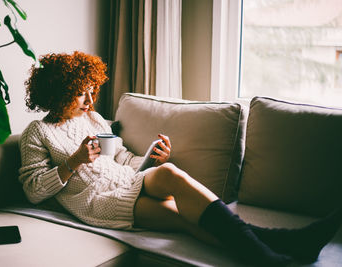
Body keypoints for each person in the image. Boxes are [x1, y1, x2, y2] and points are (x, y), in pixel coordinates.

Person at [19, 51, 342, 266]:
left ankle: (281, 246)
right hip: (98, 201)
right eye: (81, 92)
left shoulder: (94, 119)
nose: (90, 99)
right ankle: (274, 252)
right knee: (180, 216)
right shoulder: (38, 132)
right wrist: (73, 162)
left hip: (128, 180)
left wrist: (151, 160)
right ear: (59, 92)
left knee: (171, 171)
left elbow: (120, 157)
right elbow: (33, 190)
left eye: (93, 90)